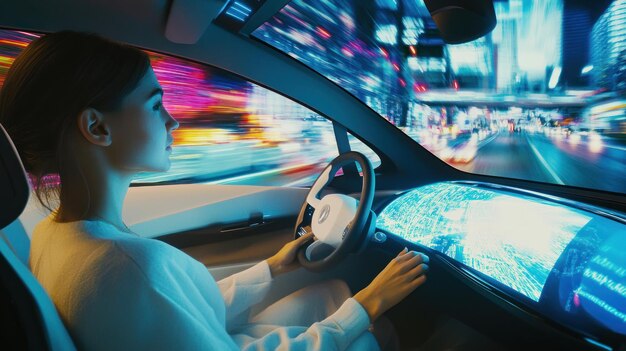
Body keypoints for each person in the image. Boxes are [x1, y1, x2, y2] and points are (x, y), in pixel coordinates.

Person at [0, 31, 429, 350]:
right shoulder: (128, 265)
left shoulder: (55, 234)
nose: (173, 121)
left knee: (331, 293)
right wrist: (370, 305)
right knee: (373, 332)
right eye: (155, 105)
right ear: (97, 127)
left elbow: (179, 313)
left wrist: (273, 267)